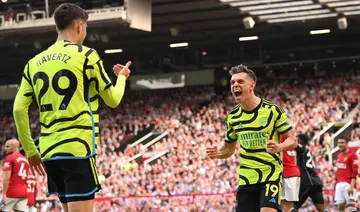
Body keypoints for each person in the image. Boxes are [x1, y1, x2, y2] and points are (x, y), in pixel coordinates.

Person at [13, 3, 131, 212]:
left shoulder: (33, 63)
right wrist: (121, 79)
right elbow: (112, 99)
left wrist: (31, 151)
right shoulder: (86, 55)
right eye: (85, 27)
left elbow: (18, 110)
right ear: (79, 26)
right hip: (77, 149)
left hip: (49, 152)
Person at [206, 64, 297, 212]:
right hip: (246, 178)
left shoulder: (272, 110)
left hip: (270, 175)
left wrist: (280, 147)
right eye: (232, 83)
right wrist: (218, 152)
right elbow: (228, 149)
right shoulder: (233, 117)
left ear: (252, 85)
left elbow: (292, 140)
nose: (235, 85)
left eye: (240, 82)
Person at [293, 134, 325, 212]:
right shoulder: (308, 150)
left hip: (307, 182)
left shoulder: (302, 149)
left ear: (300, 141)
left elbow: (294, 145)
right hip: (316, 182)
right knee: (322, 210)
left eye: (296, 139)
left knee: (292, 207)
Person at [1, 139, 30, 212]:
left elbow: (6, 178)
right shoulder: (25, 159)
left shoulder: (9, 158)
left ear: (14, 147)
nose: (5, 149)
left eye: (7, 146)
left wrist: (4, 194)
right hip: (24, 193)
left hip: (11, 192)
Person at [334, 138, 358, 212]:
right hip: (339, 184)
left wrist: (351, 185)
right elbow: (339, 170)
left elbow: (355, 171)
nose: (339, 145)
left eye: (342, 142)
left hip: (348, 183)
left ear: (347, 144)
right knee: (340, 207)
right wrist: (335, 182)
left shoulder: (352, 155)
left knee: (351, 206)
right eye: (338, 143)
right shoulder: (339, 156)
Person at [280, 135, 301, 212]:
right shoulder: (292, 138)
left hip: (286, 173)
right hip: (293, 170)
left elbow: (280, 153)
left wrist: (280, 169)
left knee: (287, 206)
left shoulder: (280, 136)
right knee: (283, 202)